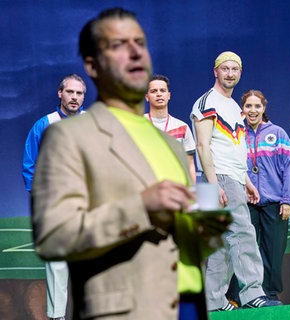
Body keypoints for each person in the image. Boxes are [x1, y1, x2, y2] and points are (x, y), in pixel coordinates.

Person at [31, 8, 228, 320]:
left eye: (140, 43)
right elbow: (55, 235)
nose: (135, 52)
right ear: (93, 65)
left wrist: (202, 231)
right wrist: (141, 207)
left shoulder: (170, 143)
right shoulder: (68, 136)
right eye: (119, 45)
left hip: (187, 304)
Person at [191, 51, 282, 311]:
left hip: (230, 176)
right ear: (215, 71)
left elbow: (233, 148)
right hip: (217, 177)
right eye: (225, 68)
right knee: (243, 232)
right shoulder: (208, 102)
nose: (230, 73)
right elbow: (202, 144)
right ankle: (253, 292)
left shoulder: (233, 107)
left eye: (235, 69)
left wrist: (246, 180)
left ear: (239, 73)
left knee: (220, 242)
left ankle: (213, 301)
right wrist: (213, 183)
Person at [22, 73, 86, 320]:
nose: (75, 97)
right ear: (60, 94)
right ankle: (57, 316)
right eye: (70, 92)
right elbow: (30, 165)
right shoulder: (44, 124)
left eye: (79, 93)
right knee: (57, 266)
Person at [240, 89, 290, 302]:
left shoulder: (278, 133)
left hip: (274, 202)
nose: (253, 111)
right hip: (247, 202)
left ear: (264, 108)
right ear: (242, 109)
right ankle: (248, 294)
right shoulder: (238, 134)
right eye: (248, 106)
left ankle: (270, 292)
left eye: (257, 106)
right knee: (247, 249)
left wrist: (287, 199)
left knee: (274, 249)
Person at [145, 74, 197, 183]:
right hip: (148, 187)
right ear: (147, 97)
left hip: (175, 187)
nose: (159, 94)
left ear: (168, 95)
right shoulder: (139, 124)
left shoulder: (182, 127)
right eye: (154, 91)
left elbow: (190, 164)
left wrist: (191, 191)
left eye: (162, 90)